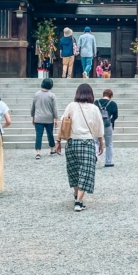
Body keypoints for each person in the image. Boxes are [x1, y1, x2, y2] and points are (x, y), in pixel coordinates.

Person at [56, 83, 104, 212]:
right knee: (85, 172)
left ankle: (77, 196)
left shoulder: (71, 106)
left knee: (74, 171)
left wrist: (58, 141)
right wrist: (101, 142)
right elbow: (99, 126)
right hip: (87, 143)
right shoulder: (94, 108)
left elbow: (63, 123)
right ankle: (79, 201)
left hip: (72, 143)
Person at [30, 77, 59, 160]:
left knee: (38, 135)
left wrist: (33, 117)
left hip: (38, 118)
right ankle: (52, 149)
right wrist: (56, 119)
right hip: (49, 118)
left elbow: (33, 107)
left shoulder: (36, 94)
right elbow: (55, 109)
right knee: (50, 134)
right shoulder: (52, 95)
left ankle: (38, 152)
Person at [96, 88, 119, 167]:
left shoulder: (96, 102)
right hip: (107, 125)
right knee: (109, 143)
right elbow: (116, 116)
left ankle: (95, 156)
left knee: (96, 142)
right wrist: (111, 120)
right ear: (111, 96)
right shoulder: (113, 104)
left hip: (97, 124)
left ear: (103, 95)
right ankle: (108, 162)